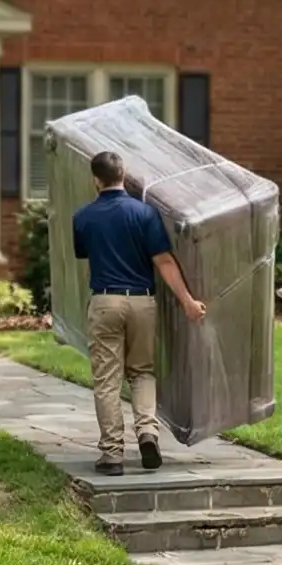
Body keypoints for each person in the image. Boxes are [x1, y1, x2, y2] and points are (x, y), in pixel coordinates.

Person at [70, 149, 206, 475]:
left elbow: (84, 255)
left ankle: (112, 456)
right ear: (123, 174)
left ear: (95, 179)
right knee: (142, 372)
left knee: (107, 381)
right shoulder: (144, 213)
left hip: (105, 302)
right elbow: (164, 261)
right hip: (143, 302)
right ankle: (147, 432)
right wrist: (188, 301)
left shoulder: (82, 217)